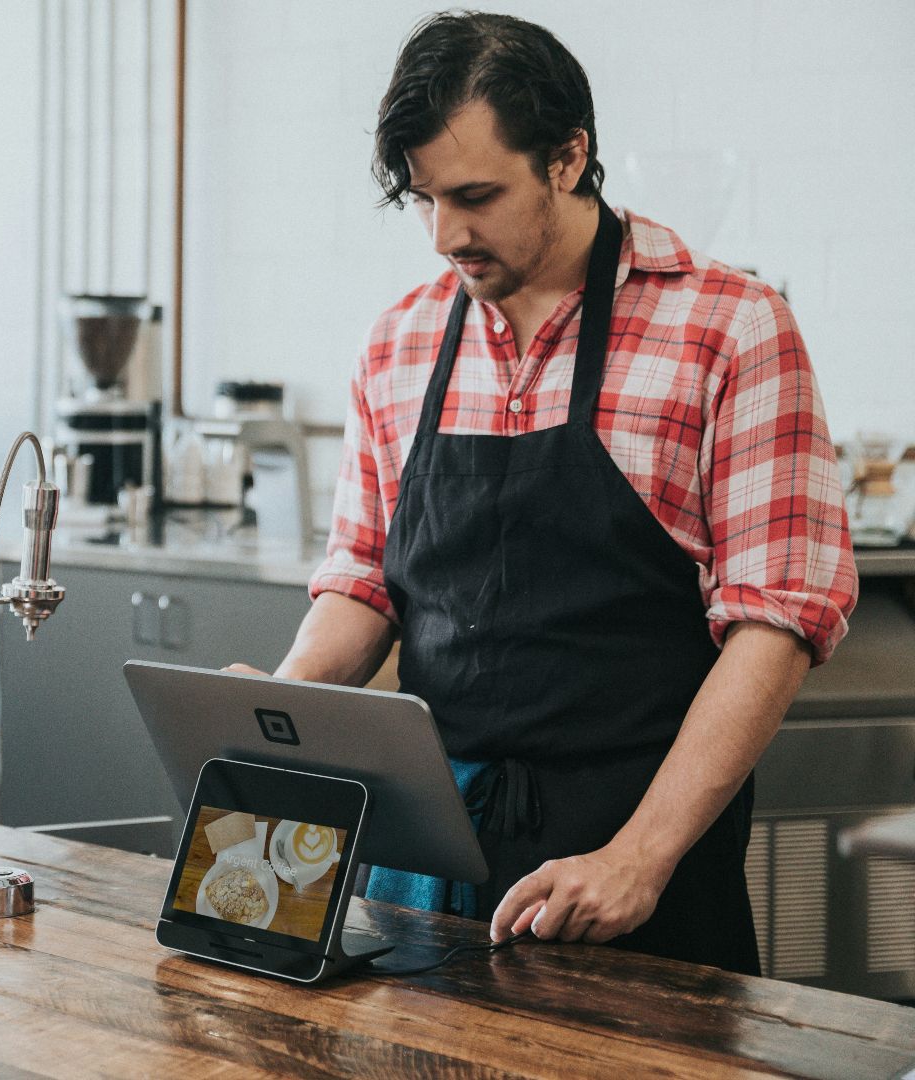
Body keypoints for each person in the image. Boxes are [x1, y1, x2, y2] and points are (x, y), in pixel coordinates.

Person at [236, 13, 856, 974]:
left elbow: (775, 625)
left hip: (632, 869)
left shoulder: (730, 330)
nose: (446, 234)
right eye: (423, 198)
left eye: (476, 195)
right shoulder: (398, 343)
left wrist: (637, 859)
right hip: (424, 865)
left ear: (569, 158)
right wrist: (280, 709)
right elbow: (365, 581)